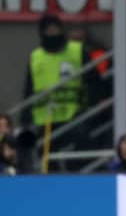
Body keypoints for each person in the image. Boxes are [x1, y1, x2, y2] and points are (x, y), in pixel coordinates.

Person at [21, 14, 107, 171]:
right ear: (42, 33)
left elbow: (94, 79)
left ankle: (79, 173)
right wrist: (25, 117)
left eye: (55, 29)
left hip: (74, 112)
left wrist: (94, 102)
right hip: (45, 116)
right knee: (35, 146)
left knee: (82, 137)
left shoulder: (76, 51)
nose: (53, 34)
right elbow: (29, 89)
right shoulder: (36, 57)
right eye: (48, 30)